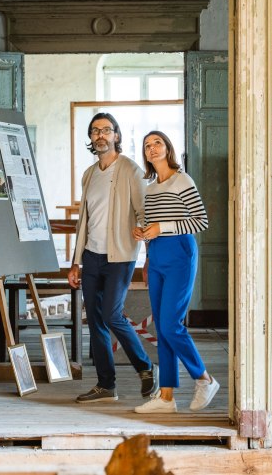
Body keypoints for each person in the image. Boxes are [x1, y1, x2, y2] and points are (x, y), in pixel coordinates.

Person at [68, 113, 159, 403]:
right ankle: (106, 385)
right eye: (95, 131)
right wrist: (76, 261)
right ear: (91, 138)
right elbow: (84, 220)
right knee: (94, 321)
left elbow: (144, 212)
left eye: (106, 130)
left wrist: (147, 252)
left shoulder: (131, 170)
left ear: (116, 135)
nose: (100, 136)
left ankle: (145, 367)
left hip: (120, 255)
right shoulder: (90, 174)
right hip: (92, 256)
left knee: (111, 314)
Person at [132, 130, 219, 414]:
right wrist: (144, 238)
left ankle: (204, 378)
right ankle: (166, 397)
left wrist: (161, 228)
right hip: (156, 256)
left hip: (180, 253)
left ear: (167, 148)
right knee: (161, 326)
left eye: (157, 142)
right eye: (147, 146)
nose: (152, 148)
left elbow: (201, 221)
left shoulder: (183, 180)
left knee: (171, 325)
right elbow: (150, 225)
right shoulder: (151, 188)